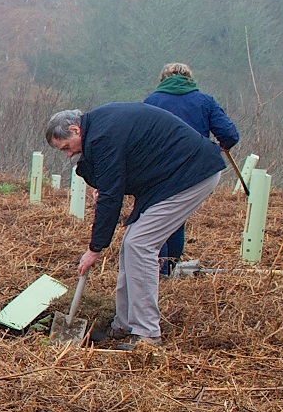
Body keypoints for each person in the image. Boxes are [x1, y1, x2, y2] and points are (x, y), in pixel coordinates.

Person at [47, 104, 225, 354]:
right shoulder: (101, 126)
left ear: (75, 129)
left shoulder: (102, 136)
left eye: (66, 147)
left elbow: (111, 198)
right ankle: (124, 323)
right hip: (170, 177)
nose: (68, 155)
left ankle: (147, 333)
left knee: (140, 245)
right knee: (131, 245)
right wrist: (107, 184)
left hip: (190, 175)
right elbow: (121, 173)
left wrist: (95, 249)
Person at [141, 62, 240, 277]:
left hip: (160, 168)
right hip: (195, 169)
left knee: (157, 217)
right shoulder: (205, 101)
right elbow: (230, 134)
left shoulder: (152, 101)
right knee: (177, 217)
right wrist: (222, 146)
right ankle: (170, 266)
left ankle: (161, 271)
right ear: (189, 79)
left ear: (163, 79)